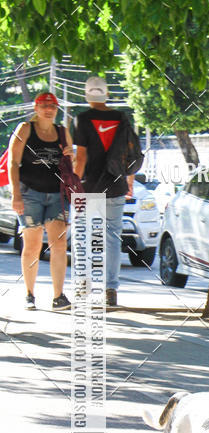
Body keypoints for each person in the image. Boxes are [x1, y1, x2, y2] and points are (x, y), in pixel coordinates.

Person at [8, 91, 74, 310]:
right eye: (44, 106)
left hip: (57, 194)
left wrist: (69, 155)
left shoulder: (63, 132)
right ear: (36, 109)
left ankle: (58, 296)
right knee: (33, 244)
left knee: (59, 244)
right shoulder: (25, 129)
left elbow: (69, 164)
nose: (48, 110)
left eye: (52, 106)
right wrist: (16, 195)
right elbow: (13, 163)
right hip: (30, 193)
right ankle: (29, 294)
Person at [73, 76, 133, 307]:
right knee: (112, 239)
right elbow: (130, 153)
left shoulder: (82, 119)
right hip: (116, 186)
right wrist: (129, 181)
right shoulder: (121, 118)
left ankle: (83, 287)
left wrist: (73, 185)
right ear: (106, 94)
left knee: (83, 238)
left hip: (88, 187)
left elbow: (81, 158)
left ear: (87, 96)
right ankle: (110, 290)